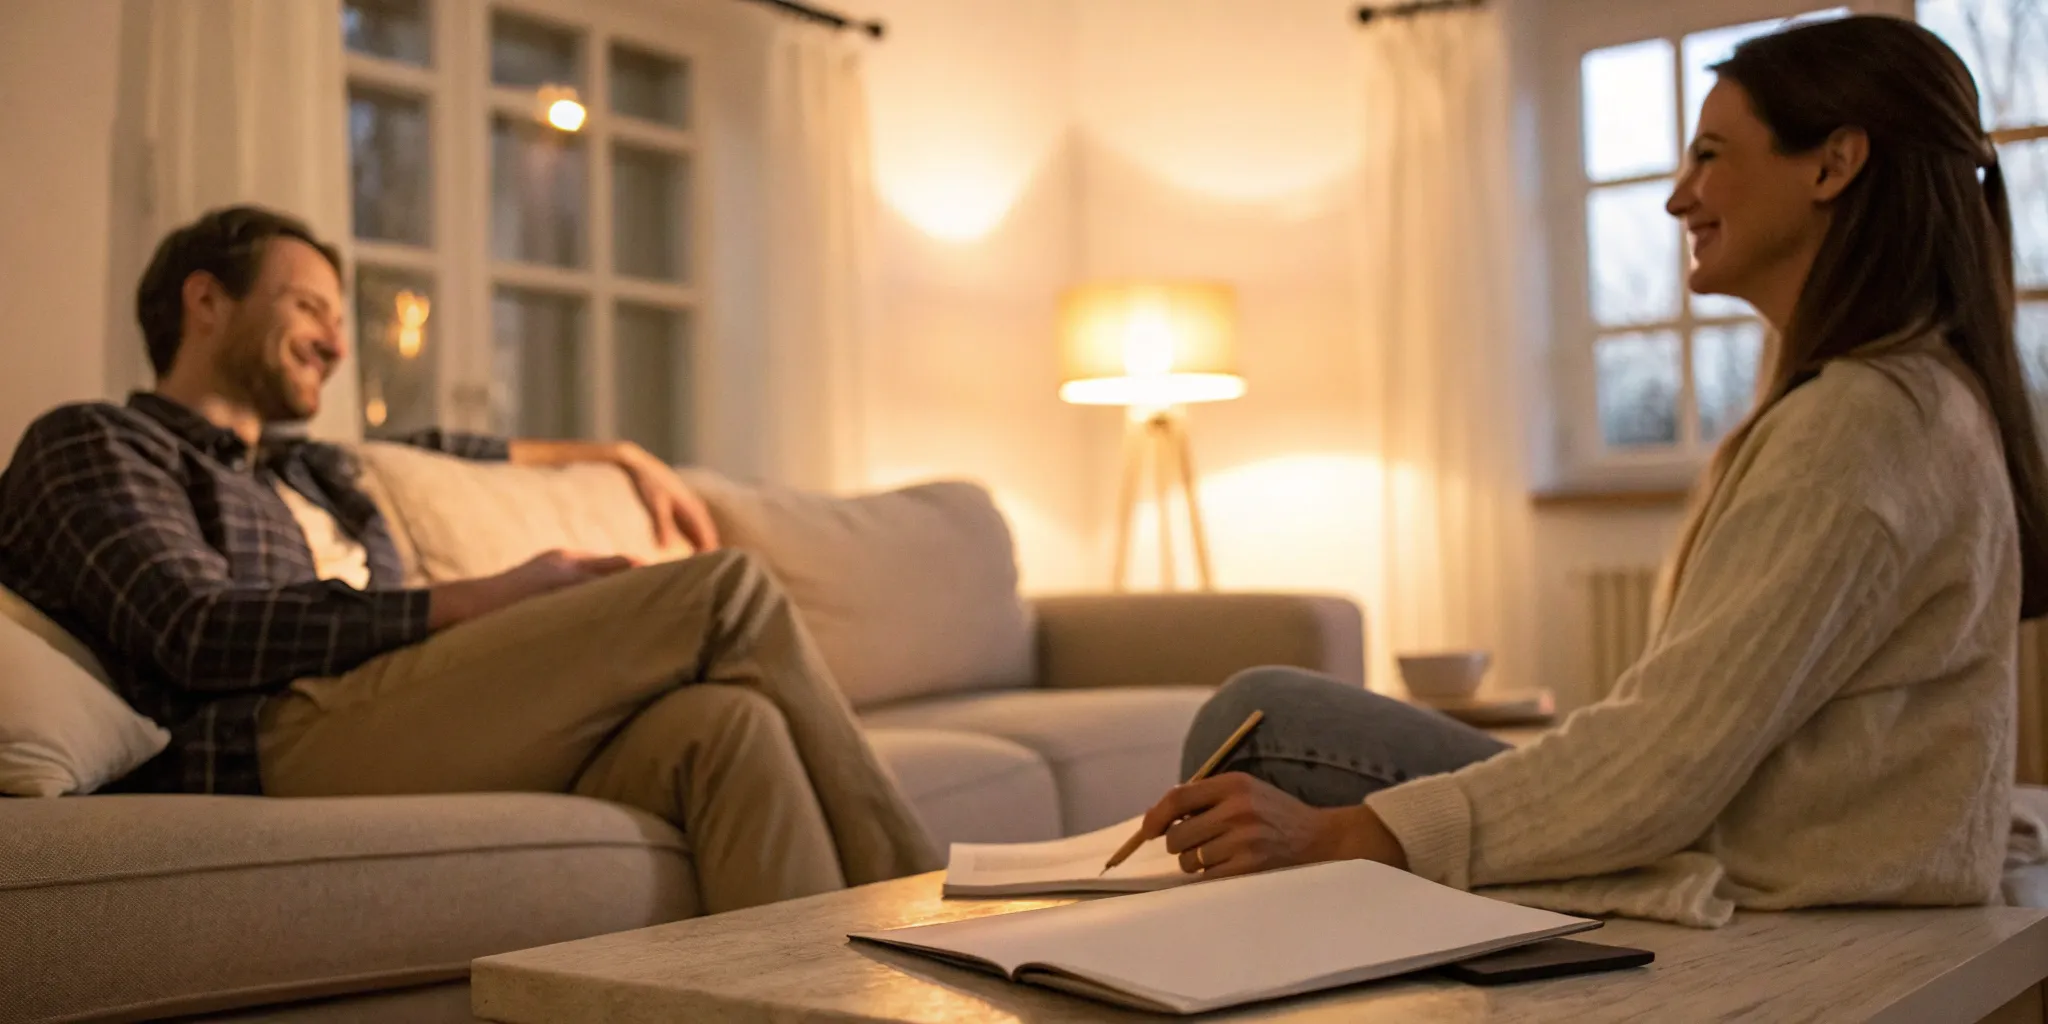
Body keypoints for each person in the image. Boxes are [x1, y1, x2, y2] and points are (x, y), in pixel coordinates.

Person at [1126, 14, 2048, 927]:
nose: (1678, 197)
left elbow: (1671, 759)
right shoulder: (1924, 394)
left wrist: (1340, 837)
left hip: (1760, 864)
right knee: (1271, 716)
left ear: (1831, 164)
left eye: (1711, 155)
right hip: (1801, 838)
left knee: (1262, 718)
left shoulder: (1861, 423)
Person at [0, 205, 938, 914]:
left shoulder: (317, 470)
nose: (335, 339)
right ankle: (939, 922)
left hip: (398, 712)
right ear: (205, 300)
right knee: (722, 590)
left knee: (727, 726)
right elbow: (189, 630)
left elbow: (468, 446)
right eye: (308, 306)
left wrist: (619, 452)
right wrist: (470, 600)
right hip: (269, 732)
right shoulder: (98, 443)